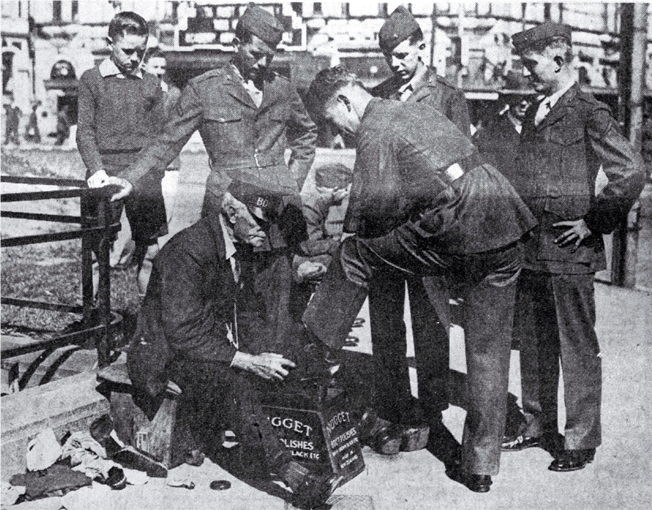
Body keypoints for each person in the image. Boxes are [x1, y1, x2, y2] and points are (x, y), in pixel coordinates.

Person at [301, 66, 537, 493]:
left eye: (336, 124)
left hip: (463, 224)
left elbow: (367, 217)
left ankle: (314, 347)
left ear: (344, 102)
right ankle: (480, 467)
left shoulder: (373, 129)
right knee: (488, 350)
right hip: (504, 219)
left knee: (356, 251)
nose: (341, 136)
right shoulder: (406, 110)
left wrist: (339, 224)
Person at [101, 4, 318, 357]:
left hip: (277, 211)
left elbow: (307, 137)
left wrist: (290, 182)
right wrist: (129, 178)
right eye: (256, 53)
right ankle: (228, 375)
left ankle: (274, 381)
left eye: (270, 55)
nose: (263, 63)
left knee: (277, 299)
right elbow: (168, 140)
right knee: (225, 298)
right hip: (228, 209)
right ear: (236, 43)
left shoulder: (284, 90)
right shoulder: (205, 89)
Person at [128, 186, 341, 508]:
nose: (266, 231)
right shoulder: (187, 252)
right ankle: (291, 473)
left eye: (270, 224)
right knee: (233, 381)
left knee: (296, 360)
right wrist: (246, 360)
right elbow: (181, 332)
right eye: (258, 221)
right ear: (231, 213)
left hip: (205, 345)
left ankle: (326, 444)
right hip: (166, 355)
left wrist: (269, 349)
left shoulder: (236, 243)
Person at [501, 23, 646, 471]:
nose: (525, 73)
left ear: (558, 61)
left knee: (576, 346)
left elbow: (631, 173)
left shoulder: (589, 111)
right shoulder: (534, 111)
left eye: (531, 65)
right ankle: (537, 424)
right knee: (535, 342)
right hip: (533, 249)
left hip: (569, 251)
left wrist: (593, 222)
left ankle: (581, 439)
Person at [364, 5, 473, 454]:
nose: (397, 64)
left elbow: (461, 169)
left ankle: (430, 409)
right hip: (387, 230)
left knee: (431, 321)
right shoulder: (381, 94)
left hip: (428, 231)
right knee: (386, 321)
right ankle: (392, 405)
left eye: (405, 55)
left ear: (422, 48)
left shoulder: (448, 98)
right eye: (391, 57)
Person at [77, 11, 167, 298]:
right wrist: (96, 170)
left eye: (141, 51)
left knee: (151, 251)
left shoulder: (151, 83)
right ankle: (93, 321)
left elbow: (160, 139)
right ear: (109, 43)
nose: (135, 58)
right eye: (128, 51)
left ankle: (146, 328)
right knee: (96, 253)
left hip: (142, 177)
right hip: (104, 176)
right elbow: (85, 132)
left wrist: (149, 172)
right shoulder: (91, 80)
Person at [143, 48, 182, 246]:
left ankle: (156, 260)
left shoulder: (174, 94)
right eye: (155, 67)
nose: (159, 71)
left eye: (162, 67)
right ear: (144, 67)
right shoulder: (135, 93)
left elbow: (177, 129)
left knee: (166, 214)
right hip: (141, 164)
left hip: (169, 164)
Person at [473, 93, 532, 178]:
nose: (524, 104)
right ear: (509, 99)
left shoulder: (538, 128)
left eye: (529, 98)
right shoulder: (492, 129)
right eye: (518, 98)